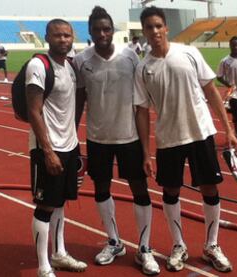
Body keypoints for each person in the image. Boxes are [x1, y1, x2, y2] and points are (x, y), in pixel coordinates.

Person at [134, 6, 237, 273]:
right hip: (169, 139)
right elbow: (142, 111)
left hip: (201, 133)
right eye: (149, 27)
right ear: (143, 31)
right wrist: (146, 152)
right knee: (170, 191)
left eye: (159, 26)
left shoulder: (189, 53)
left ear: (166, 27)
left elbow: (210, 90)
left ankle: (211, 245)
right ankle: (179, 245)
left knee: (210, 189)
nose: (155, 31)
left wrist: (228, 129)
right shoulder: (144, 67)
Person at [74, 6, 160, 275]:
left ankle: (144, 248)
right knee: (101, 190)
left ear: (113, 30)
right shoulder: (81, 61)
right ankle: (114, 241)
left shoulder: (130, 57)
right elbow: (78, 101)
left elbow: (142, 102)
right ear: (90, 32)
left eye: (107, 28)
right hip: (98, 138)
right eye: (97, 29)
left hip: (129, 137)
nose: (102, 33)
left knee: (140, 191)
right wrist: (73, 138)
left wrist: (147, 150)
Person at [26, 19, 87, 277]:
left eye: (67, 35)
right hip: (48, 147)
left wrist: (74, 143)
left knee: (61, 202)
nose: (63, 39)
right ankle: (43, 266)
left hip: (69, 146)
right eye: (57, 35)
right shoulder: (38, 65)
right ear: (47, 37)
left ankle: (59, 253)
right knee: (45, 205)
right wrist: (48, 151)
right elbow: (33, 110)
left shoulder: (71, 67)